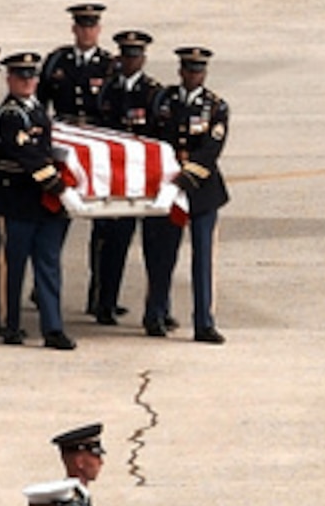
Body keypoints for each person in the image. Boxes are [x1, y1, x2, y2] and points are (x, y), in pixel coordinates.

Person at [0, 51, 83, 350]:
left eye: (32, 76)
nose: (27, 81)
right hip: (18, 199)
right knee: (13, 265)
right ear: (10, 80)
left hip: (42, 201)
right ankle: (9, 323)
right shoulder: (10, 115)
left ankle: (53, 327)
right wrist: (59, 187)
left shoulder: (37, 110)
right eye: (21, 76)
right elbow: (27, 156)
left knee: (48, 264)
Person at [38, 2, 115, 319]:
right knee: (56, 216)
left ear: (98, 30)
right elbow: (39, 102)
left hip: (96, 149)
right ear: (74, 29)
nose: (86, 31)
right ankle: (43, 289)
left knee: (104, 227)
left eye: (92, 26)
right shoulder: (58, 60)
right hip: (65, 146)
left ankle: (100, 297)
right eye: (81, 26)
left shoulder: (110, 65)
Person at [151, 46, 230, 343]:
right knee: (163, 255)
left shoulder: (216, 107)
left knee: (203, 259)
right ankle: (156, 313)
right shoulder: (163, 100)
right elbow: (154, 139)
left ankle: (204, 322)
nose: (193, 75)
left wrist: (188, 176)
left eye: (198, 71)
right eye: (189, 70)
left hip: (201, 191)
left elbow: (211, 149)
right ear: (180, 71)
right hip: (170, 187)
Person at [94, 30, 163, 326]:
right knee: (113, 245)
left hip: (145, 181)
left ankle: (159, 309)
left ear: (143, 59)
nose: (130, 61)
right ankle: (105, 303)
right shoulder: (109, 91)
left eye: (135, 56)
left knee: (155, 249)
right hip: (117, 180)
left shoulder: (153, 93)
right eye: (125, 55)